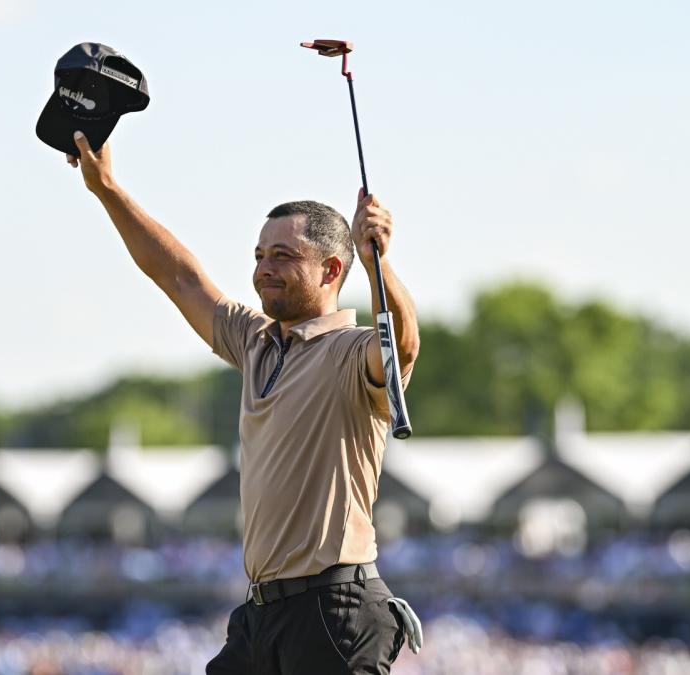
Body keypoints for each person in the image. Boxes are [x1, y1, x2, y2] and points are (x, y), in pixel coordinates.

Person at [65, 131, 423, 674]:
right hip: (262, 613)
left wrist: (377, 265)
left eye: (283, 256)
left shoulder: (352, 352)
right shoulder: (256, 341)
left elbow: (399, 342)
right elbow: (179, 276)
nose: (263, 269)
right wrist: (106, 187)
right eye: (259, 255)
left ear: (331, 269)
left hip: (334, 609)